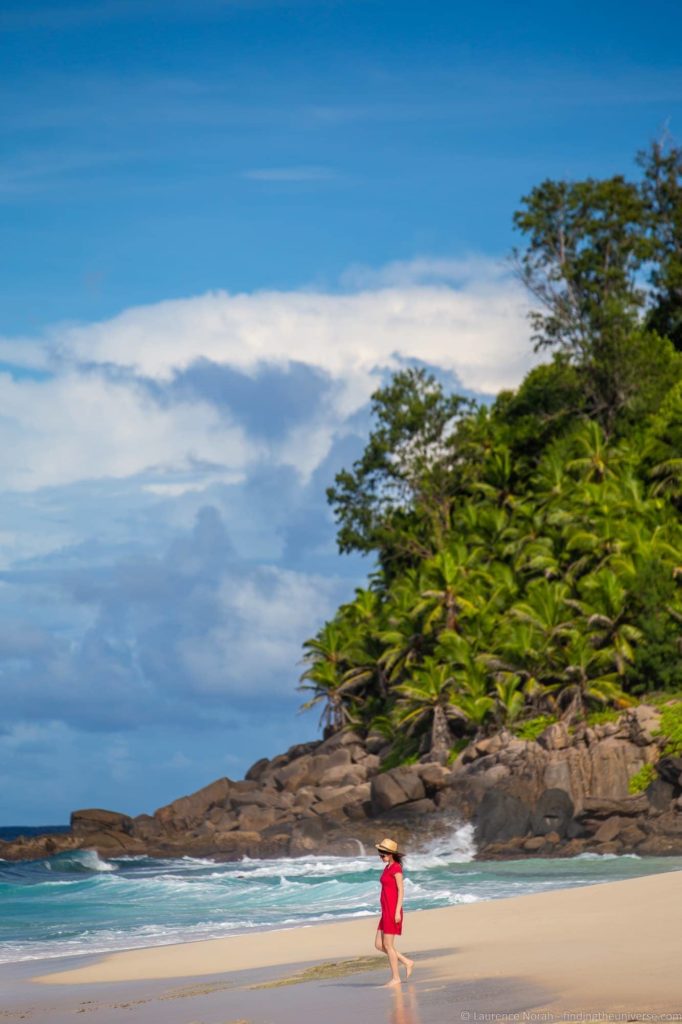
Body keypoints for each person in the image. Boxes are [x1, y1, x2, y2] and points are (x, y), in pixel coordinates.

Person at [374, 837, 415, 986]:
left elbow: (401, 891)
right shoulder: (387, 868)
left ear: (390, 854)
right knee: (379, 945)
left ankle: (396, 978)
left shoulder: (396, 868)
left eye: (383, 855)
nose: (381, 857)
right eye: (380, 854)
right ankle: (406, 961)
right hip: (386, 910)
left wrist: (397, 912)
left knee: (389, 946)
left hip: (392, 910)